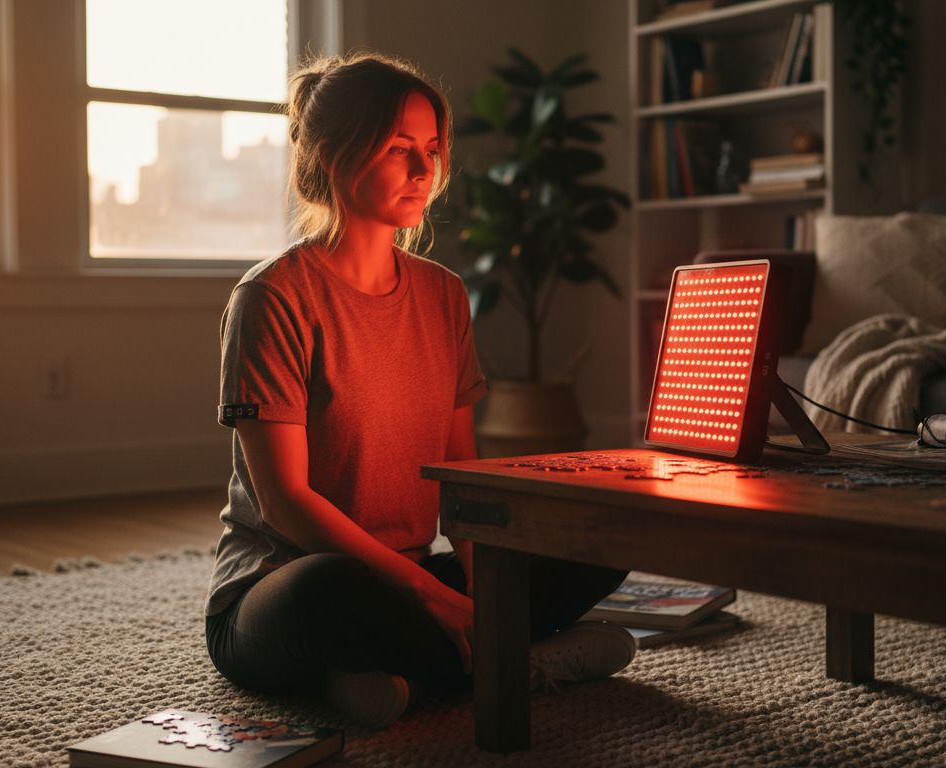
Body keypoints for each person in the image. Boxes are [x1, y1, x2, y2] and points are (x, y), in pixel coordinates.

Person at [204, 52, 634, 729]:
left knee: (599, 532)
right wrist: (433, 600)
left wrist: (485, 587)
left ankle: (384, 677)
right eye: (399, 147)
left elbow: (460, 478)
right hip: (286, 590)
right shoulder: (272, 297)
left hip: (412, 577)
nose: (424, 169)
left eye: (431, 148)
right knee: (329, 588)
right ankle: (518, 663)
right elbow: (286, 505)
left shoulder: (442, 295)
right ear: (334, 154)